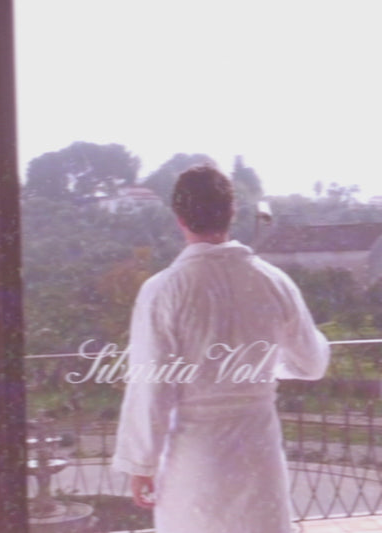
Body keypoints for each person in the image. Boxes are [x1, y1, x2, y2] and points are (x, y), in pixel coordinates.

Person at [112, 165, 330, 533]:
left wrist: (141, 464)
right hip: (258, 454)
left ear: (179, 217)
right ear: (231, 211)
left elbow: (152, 388)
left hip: (197, 461)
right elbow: (312, 363)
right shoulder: (273, 282)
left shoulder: (164, 290)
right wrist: (265, 364)